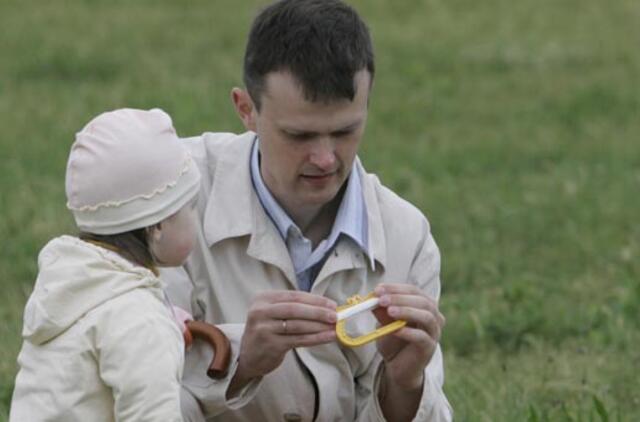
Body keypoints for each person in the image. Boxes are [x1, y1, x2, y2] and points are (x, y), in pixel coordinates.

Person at [162, 0, 453, 420]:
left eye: (345, 131)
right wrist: (241, 358)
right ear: (246, 109)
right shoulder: (170, 198)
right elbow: (129, 384)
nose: (324, 158)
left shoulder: (406, 236)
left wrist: (406, 385)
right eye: (299, 135)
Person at [10, 108, 203, 421]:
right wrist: (156, 326)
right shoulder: (140, 321)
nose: (197, 219)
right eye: (191, 207)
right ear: (157, 226)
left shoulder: (75, 287)